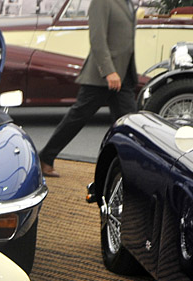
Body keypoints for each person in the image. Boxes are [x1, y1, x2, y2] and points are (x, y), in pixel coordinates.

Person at [39, 0, 136, 178]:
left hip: (124, 75)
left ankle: (128, 168)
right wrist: (109, 71)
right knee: (77, 118)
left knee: (129, 123)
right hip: (103, 76)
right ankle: (45, 157)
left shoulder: (128, 3)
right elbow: (97, 39)